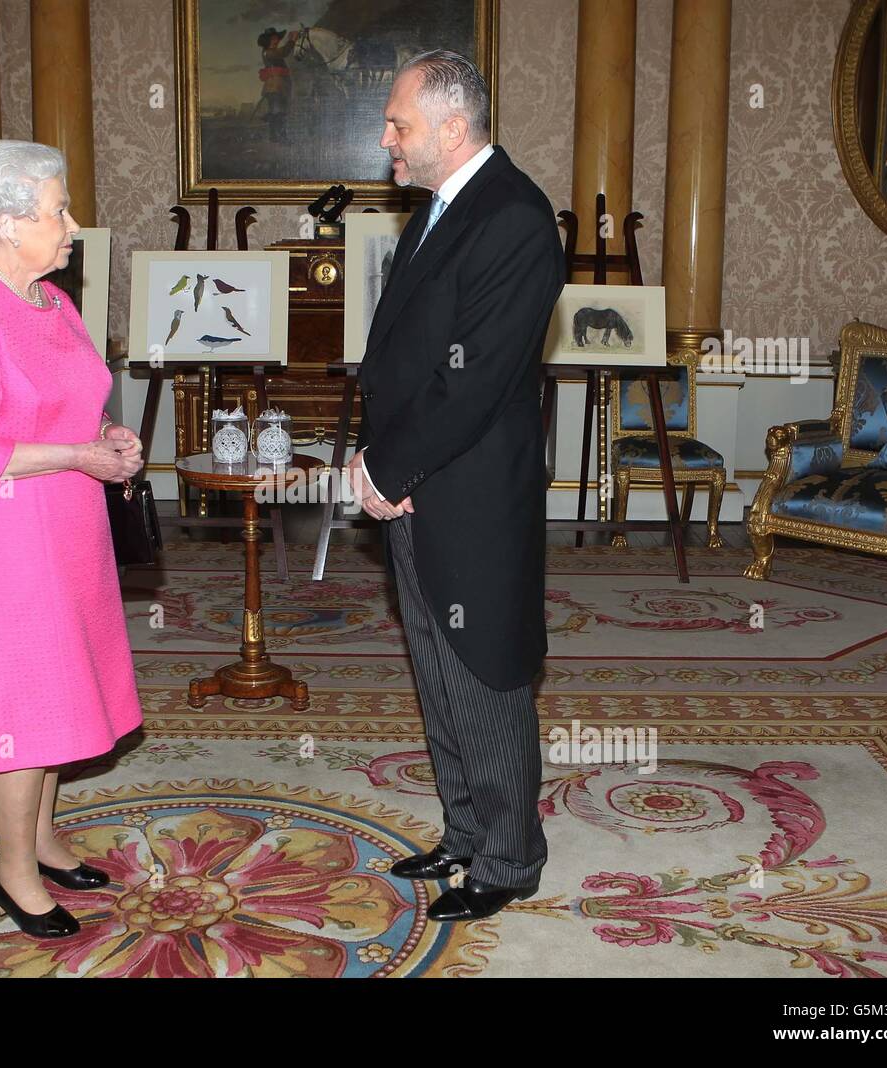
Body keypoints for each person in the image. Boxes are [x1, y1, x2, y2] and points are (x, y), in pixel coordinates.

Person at [347, 51, 565, 922]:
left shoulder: (513, 217)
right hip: (417, 481)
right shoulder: (443, 207)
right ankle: (467, 831)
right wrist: (383, 463)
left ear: (451, 126)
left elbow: (470, 385)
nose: (388, 140)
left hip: (470, 490)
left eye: (398, 125)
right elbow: (407, 355)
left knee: (484, 670)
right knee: (435, 667)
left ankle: (510, 858)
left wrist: (383, 468)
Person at [0, 140, 144, 940]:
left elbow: (76, 398)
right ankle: (11, 872)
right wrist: (78, 455)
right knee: (25, 697)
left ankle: (43, 839)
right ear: (12, 224)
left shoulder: (53, 301)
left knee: (61, 686)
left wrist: (109, 436)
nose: (73, 224)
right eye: (58, 211)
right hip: (6, 538)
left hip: (71, 524)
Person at [257, 27, 299, 144]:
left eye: (276, 39)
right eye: (273, 39)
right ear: (267, 41)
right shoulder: (269, 52)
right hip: (275, 87)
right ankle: (281, 138)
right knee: (280, 112)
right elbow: (284, 52)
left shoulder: (271, 51)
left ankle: (274, 137)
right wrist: (292, 40)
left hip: (278, 86)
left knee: (276, 112)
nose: (276, 41)